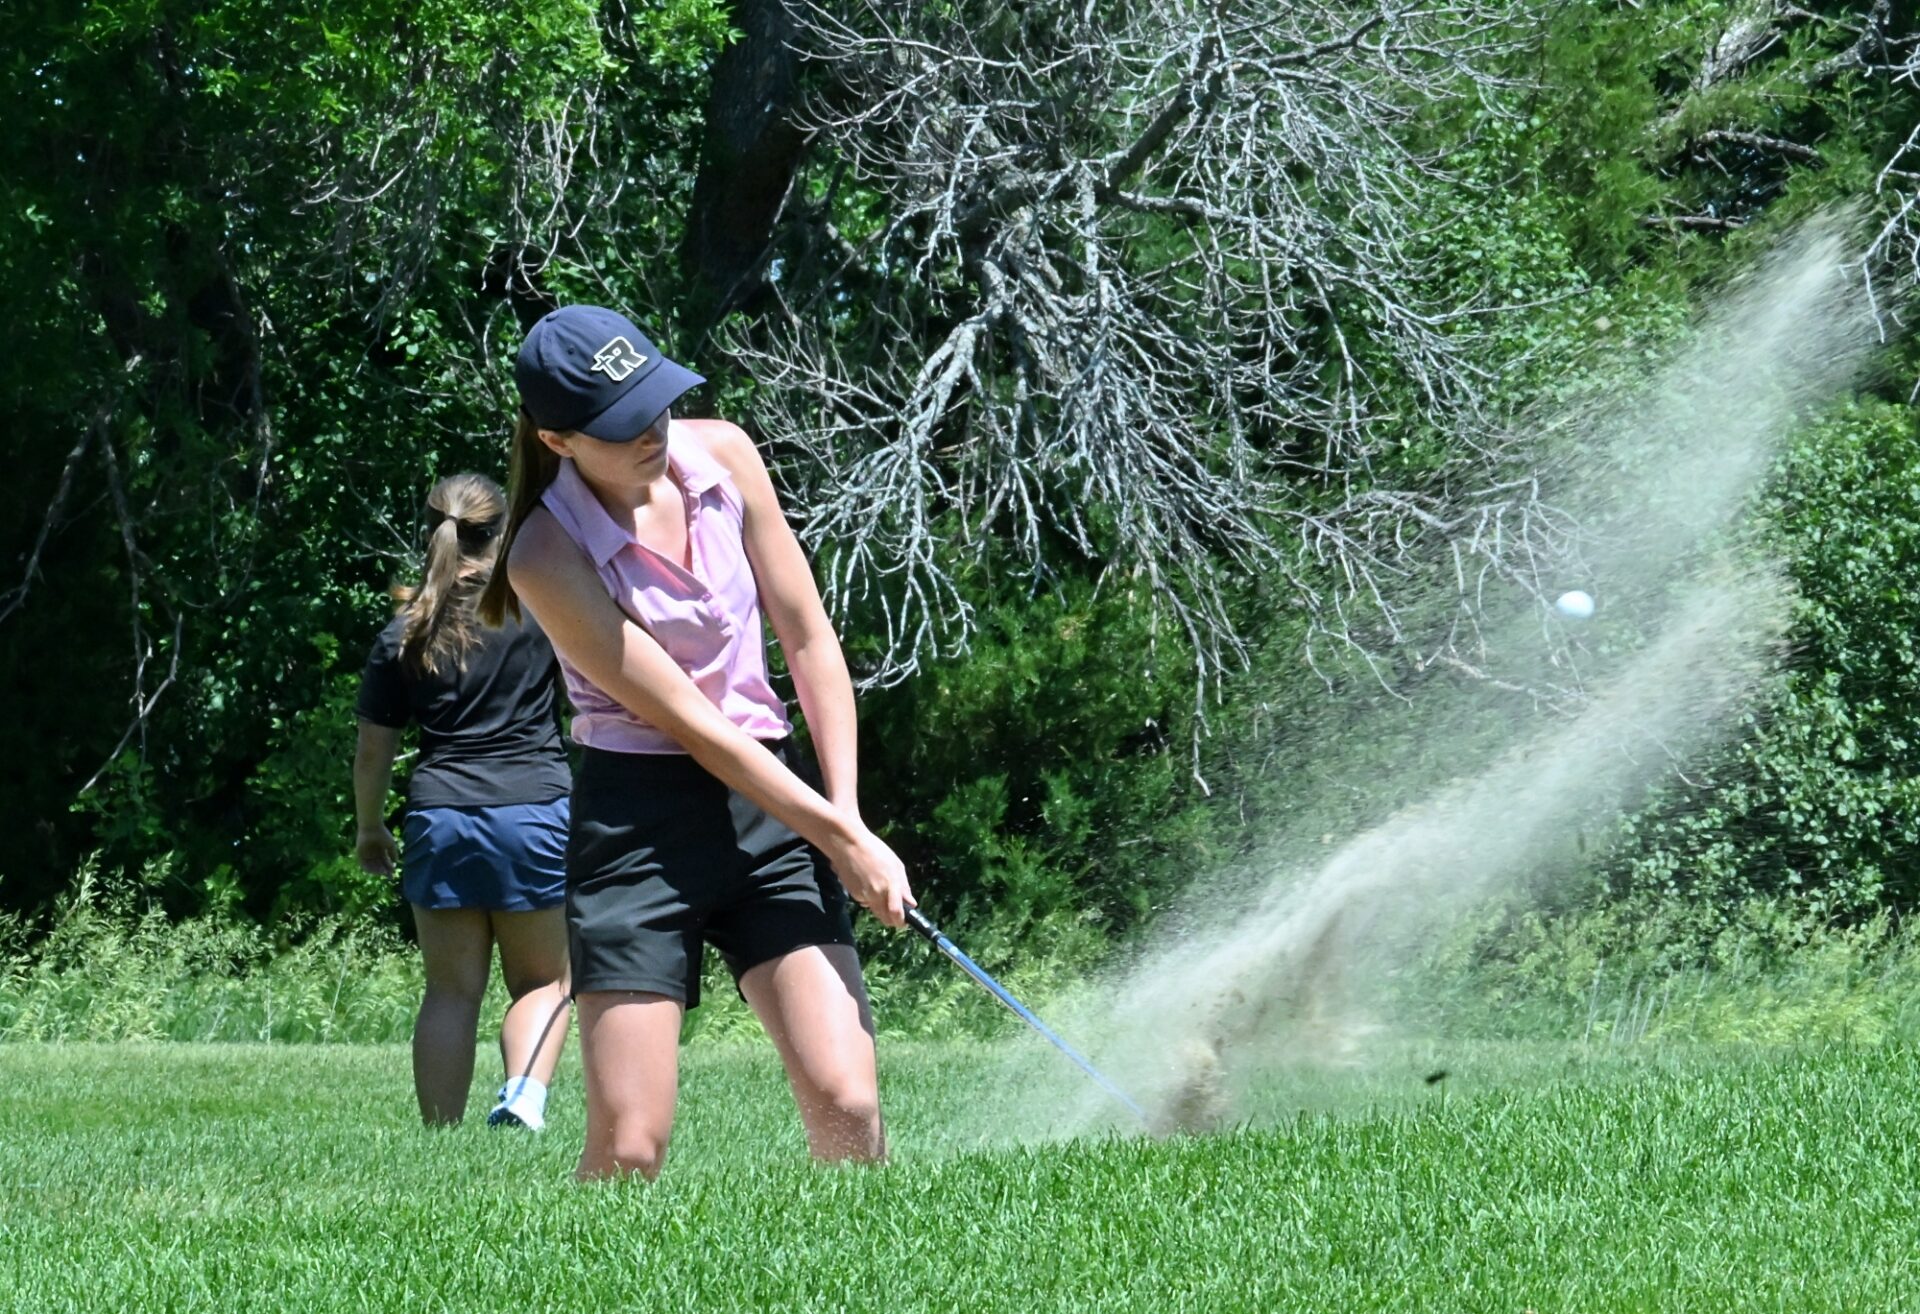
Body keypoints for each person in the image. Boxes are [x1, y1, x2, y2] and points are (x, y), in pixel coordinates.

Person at [477, 304, 914, 1180]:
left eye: (656, 402)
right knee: (632, 1146)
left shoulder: (727, 454)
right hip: (637, 828)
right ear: (559, 441)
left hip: (770, 811)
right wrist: (839, 838)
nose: (652, 431)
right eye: (620, 424)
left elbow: (809, 637)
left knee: (850, 1104)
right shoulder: (542, 554)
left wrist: (849, 816)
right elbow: (694, 727)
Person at [353, 472, 574, 1131]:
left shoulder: (403, 632)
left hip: (440, 817)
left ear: (433, 532)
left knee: (450, 991)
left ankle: (441, 1138)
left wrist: (370, 828)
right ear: (502, 533)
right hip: (534, 810)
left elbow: (373, 751)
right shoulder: (544, 613)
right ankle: (522, 1099)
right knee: (543, 983)